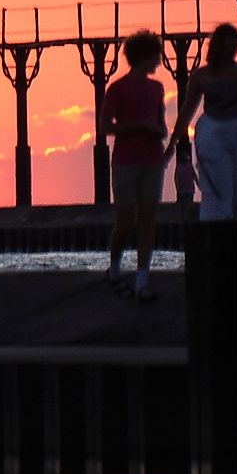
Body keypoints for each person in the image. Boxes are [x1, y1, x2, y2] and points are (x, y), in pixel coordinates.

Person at [102, 30, 168, 301]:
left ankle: (142, 280)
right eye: (156, 55)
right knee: (126, 220)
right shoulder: (117, 89)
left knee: (148, 218)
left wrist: (158, 131)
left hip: (152, 159)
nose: (159, 61)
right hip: (126, 162)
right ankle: (115, 266)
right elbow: (105, 127)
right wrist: (138, 126)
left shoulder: (157, 88)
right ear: (142, 56)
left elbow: (162, 125)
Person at [173, 23, 237, 221]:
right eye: (227, 47)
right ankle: (215, 229)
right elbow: (187, 110)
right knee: (217, 186)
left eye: (235, 48)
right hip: (214, 131)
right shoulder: (202, 75)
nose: (231, 52)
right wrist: (172, 144)